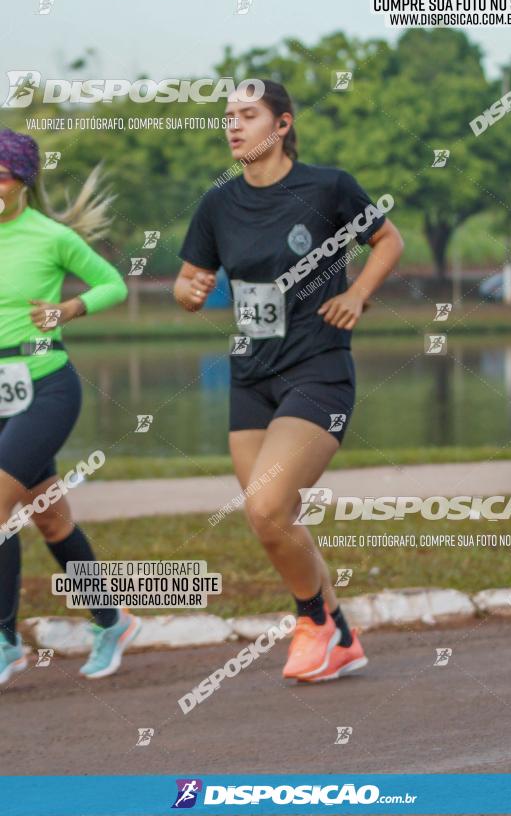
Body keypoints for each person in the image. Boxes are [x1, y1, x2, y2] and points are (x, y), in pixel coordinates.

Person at [175, 80, 403, 682]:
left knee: (269, 503)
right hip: (251, 376)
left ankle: (314, 622)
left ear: (281, 126)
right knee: (271, 521)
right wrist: (188, 292)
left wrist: (357, 293)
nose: (233, 126)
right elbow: (188, 280)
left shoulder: (327, 187)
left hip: (318, 371)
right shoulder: (217, 203)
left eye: (248, 115)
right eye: (228, 116)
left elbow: (388, 239)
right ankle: (342, 635)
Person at [0, 128, 140, 684]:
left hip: (46, 388)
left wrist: (68, 309)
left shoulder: (48, 236)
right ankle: (112, 621)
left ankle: (5, 640)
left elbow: (114, 285)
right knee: (51, 520)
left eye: (3, 172)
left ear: (23, 181)